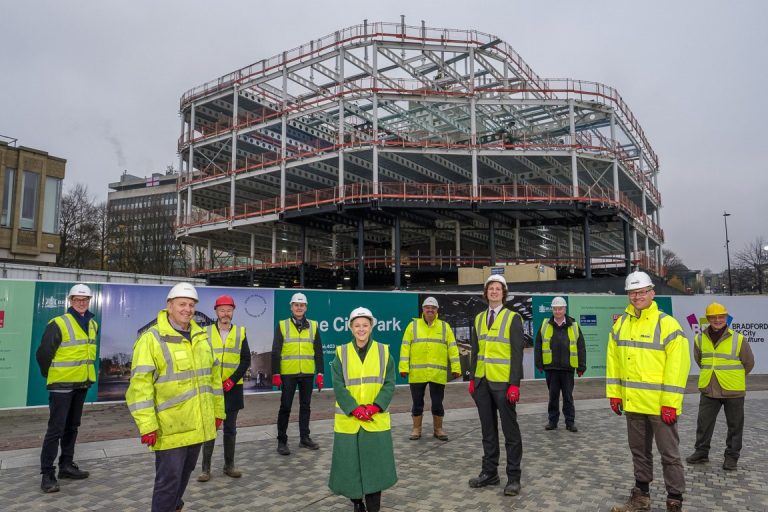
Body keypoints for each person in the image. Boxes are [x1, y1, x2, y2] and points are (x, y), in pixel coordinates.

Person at [126, 282, 224, 512]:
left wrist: (218, 412)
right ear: (169, 306)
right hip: (168, 427)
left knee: (186, 474)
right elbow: (140, 386)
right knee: (167, 483)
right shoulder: (151, 339)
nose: (188, 309)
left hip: (198, 424)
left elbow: (214, 379)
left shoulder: (201, 337)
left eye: (191, 305)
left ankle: (174, 507)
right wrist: (147, 424)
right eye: (182, 304)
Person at [607, 271, 691, 512]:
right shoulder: (621, 324)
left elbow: (679, 366)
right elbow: (613, 360)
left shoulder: (667, 324)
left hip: (659, 405)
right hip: (633, 403)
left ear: (652, 293)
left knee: (670, 454)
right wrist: (615, 393)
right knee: (639, 453)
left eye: (642, 292)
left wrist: (670, 403)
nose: (637, 296)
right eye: (633, 293)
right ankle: (641, 498)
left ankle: (674, 500)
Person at [329, 307, 397, 512]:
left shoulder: (384, 352)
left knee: (375, 469)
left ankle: (373, 507)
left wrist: (376, 406)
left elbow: (389, 383)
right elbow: (338, 385)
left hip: (374, 421)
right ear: (350, 328)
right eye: (357, 325)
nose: (361, 329)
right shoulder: (341, 353)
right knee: (351, 467)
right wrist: (354, 408)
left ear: (371, 326)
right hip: (349, 422)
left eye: (365, 325)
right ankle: (357, 503)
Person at [36, 283, 98, 493]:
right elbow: (43, 353)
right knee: (56, 429)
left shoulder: (92, 324)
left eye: (85, 300)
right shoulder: (59, 323)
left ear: (89, 301)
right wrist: (51, 375)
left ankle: (66, 466)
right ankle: (47, 474)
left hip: (81, 384)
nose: (81, 303)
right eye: (77, 300)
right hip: (61, 385)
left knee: (72, 427)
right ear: (70, 301)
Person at [468, 274, 525, 497]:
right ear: (486, 293)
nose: (493, 291)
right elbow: (476, 351)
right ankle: (489, 472)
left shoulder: (514, 318)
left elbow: (517, 353)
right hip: (482, 382)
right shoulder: (479, 318)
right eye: (490, 288)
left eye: (497, 288)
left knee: (510, 432)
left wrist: (514, 384)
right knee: (487, 430)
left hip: (503, 383)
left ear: (504, 293)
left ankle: (513, 477)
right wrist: (473, 379)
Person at [686, 302, 754, 471]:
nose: (717, 320)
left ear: (726, 318)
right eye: (713, 317)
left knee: (735, 426)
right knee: (704, 423)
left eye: (721, 317)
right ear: (708, 319)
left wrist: (734, 376)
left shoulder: (738, 339)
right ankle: (701, 452)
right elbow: (700, 360)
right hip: (709, 388)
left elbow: (749, 363)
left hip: (733, 390)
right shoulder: (699, 338)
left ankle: (731, 457)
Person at [197, 295, 251, 482]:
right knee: (210, 428)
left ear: (233, 311)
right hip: (212, 389)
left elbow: (246, 360)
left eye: (229, 310)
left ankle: (229, 466)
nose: (225, 313)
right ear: (216, 312)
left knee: (230, 428)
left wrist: (232, 380)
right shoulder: (205, 332)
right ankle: (205, 469)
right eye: (222, 310)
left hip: (232, 389)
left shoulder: (241, 332)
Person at [399, 296, 461, 441]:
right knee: (417, 402)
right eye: (427, 307)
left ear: (437, 310)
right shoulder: (412, 326)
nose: (430, 310)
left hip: (437, 373)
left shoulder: (444, 327)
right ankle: (416, 429)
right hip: (417, 373)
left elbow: (452, 348)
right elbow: (405, 347)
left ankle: (438, 429)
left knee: (438, 402)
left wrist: (456, 367)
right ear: (423, 309)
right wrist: (403, 367)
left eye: (433, 308)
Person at [272, 292, 324, 455]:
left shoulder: (314, 326)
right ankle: (282, 441)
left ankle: (304, 438)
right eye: (296, 305)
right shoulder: (282, 325)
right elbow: (276, 351)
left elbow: (318, 352)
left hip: (307, 372)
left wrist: (320, 372)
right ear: (291, 307)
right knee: (285, 407)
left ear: (306, 307)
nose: (299, 308)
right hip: (288, 373)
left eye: (302, 305)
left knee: (305, 406)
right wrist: (276, 373)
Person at [534, 296, 586, 432]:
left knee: (568, 397)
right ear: (552, 309)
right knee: (553, 397)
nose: (557, 311)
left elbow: (581, 347)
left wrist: (581, 366)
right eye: (555, 309)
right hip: (551, 368)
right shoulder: (545, 324)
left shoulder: (574, 325)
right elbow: (538, 345)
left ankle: (570, 422)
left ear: (565, 309)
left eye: (560, 308)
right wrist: (539, 363)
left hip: (568, 368)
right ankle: (553, 422)